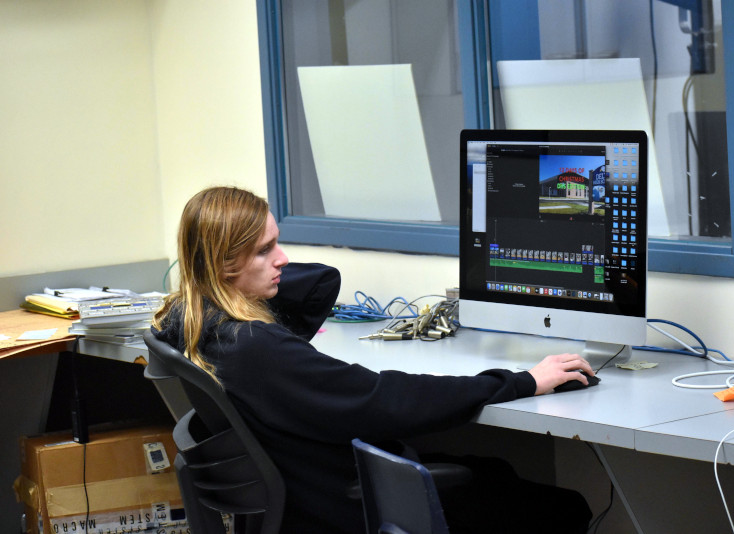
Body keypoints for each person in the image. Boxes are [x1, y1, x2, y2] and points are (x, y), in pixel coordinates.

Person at [153, 186, 595, 533]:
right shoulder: (258, 348)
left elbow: (318, 284)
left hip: (303, 497)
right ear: (223, 263)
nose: (284, 260)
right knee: (559, 507)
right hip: (344, 506)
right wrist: (521, 380)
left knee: (495, 470)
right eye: (265, 250)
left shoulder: (189, 321)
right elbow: (387, 399)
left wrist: (240, 275)